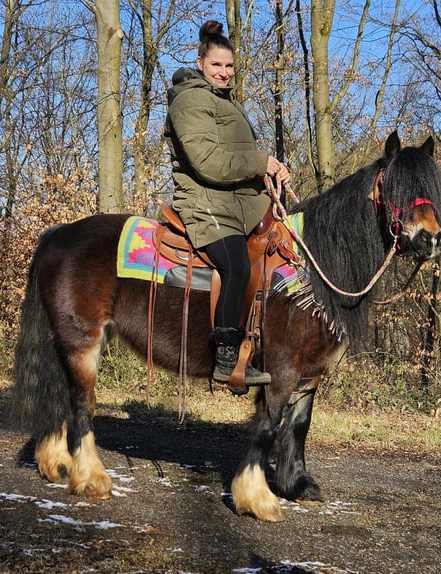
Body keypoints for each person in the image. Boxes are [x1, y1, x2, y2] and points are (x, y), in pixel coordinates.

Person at [164, 20, 290, 389]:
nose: (224, 72)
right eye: (217, 65)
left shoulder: (224, 101)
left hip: (235, 204)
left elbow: (240, 156)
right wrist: (260, 162)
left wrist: (273, 172)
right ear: (200, 62)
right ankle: (226, 358)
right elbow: (208, 162)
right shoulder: (190, 100)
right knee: (235, 265)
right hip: (205, 203)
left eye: (229, 66)